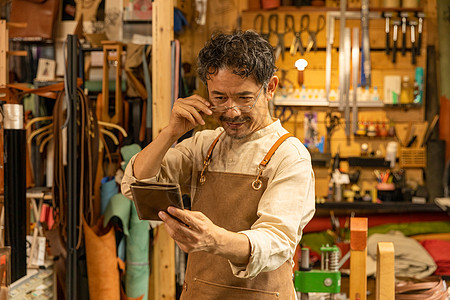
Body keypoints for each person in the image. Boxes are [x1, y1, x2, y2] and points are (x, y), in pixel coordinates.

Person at [121, 30, 315, 299]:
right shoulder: (205, 146)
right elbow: (135, 185)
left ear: (269, 88)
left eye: (244, 98)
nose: (231, 111)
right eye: (220, 98)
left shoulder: (289, 155)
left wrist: (214, 239)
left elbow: (276, 241)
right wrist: (170, 133)